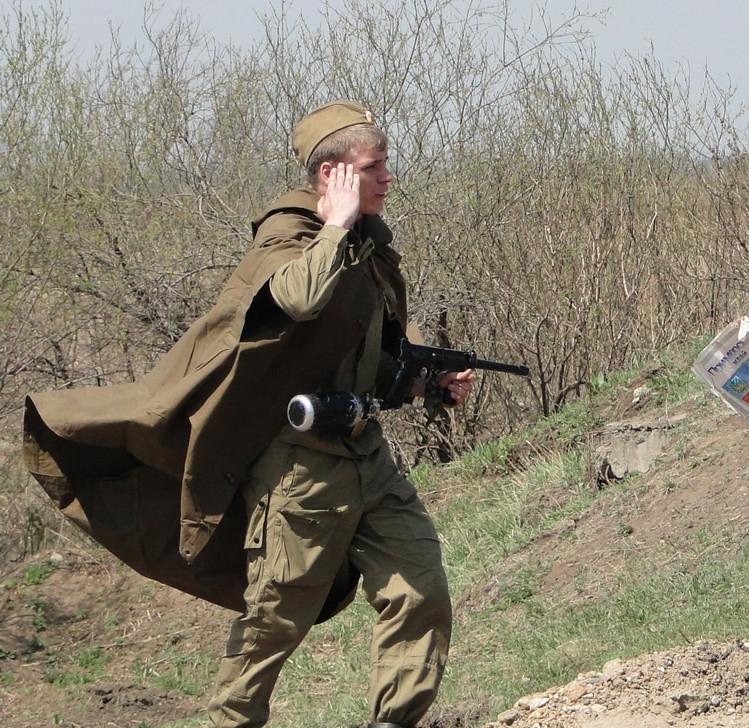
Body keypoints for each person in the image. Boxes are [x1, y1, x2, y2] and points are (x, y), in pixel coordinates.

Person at [23, 100, 473, 728]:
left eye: (385, 164)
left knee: (421, 590)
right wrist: (336, 226)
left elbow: (363, 355)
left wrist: (428, 380)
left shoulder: (371, 249)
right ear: (331, 176)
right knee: (274, 623)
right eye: (374, 167)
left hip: (369, 458)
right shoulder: (288, 237)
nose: (388, 177)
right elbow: (297, 300)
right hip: (301, 474)